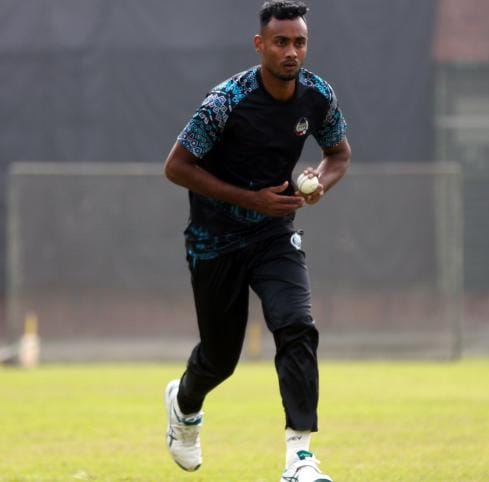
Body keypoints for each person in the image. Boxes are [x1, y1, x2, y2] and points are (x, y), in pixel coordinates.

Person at [161, 2, 350, 480]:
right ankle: (184, 406)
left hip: (273, 235)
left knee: (297, 326)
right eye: (281, 42)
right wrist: (251, 199)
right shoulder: (226, 101)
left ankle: (300, 459)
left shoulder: (317, 95)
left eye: (300, 42)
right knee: (220, 360)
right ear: (260, 44)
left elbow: (338, 153)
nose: (292, 52)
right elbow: (176, 167)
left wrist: (321, 182)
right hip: (214, 241)